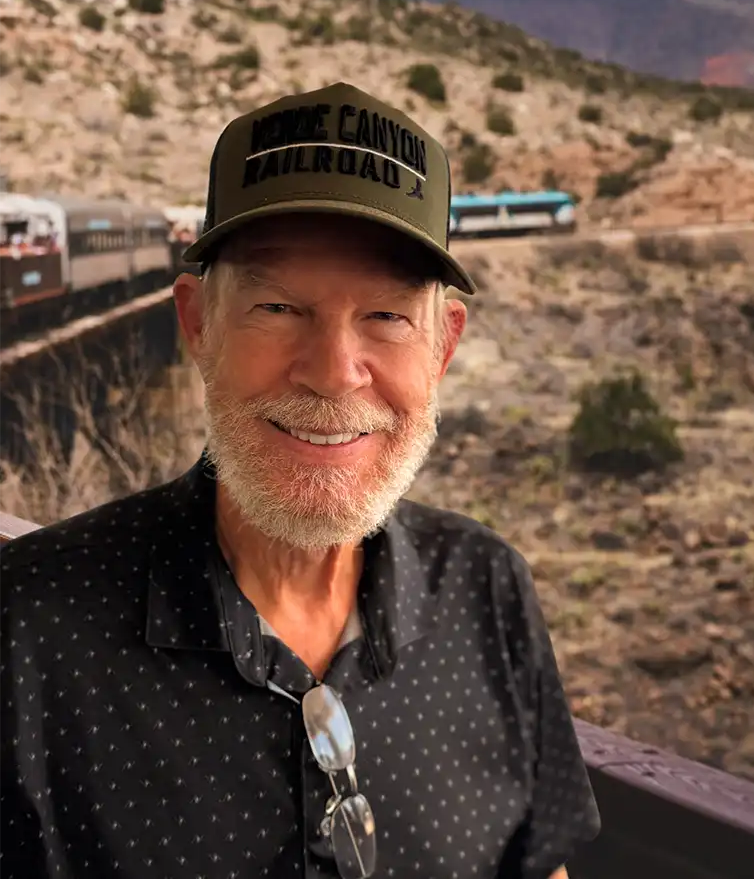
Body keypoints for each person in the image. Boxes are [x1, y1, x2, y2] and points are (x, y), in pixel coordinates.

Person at [0, 82, 600, 878]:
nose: (331, 375)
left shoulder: (488, 588)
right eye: (278, 307)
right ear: (197, 325)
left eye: (386, 316)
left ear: (442, 349)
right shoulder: (28, 629)